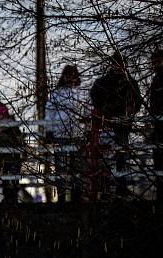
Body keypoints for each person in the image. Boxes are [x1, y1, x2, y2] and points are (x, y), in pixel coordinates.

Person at [90, 51, 142, 197]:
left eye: (121, 64)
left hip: (122, 126)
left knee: (121, 157)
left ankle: (121, 187)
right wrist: (105, 109)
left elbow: (137, 102)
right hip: (107, 124)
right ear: (111, 65)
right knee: (106, 158)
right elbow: (94, 96)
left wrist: (128, 110)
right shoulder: (103, 82)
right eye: (115, 64)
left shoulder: (130, 82)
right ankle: (107, 188)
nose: (118, 67)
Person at [45, 65, 88, 203]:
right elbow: (49, 112)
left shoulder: (82, 93)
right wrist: (49, 131)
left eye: (72, 75)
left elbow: (87, 111)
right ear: (63, 77)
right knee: (61, 167)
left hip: (78, 134)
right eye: (67, 75)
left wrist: (86, 128)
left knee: (77, 167)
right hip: (61, 134)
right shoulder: (57, 93)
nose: (70, 78)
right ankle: (62, 197)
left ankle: (77, 195)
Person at [0, 105, 24, 204]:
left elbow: (19, 142)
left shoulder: (13, 128)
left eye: (0, 115)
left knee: (14, 180)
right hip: (3, 159)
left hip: (13, 158)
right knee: (5, 180)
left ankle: (13, 200)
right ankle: (7, 199)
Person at [148, 50, 163, 201]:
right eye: (154, 62)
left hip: (159, 126)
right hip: (157, 127)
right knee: (158, 164)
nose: (155, 65)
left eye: (158, 61)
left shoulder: (158, 80)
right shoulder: (155, 80)